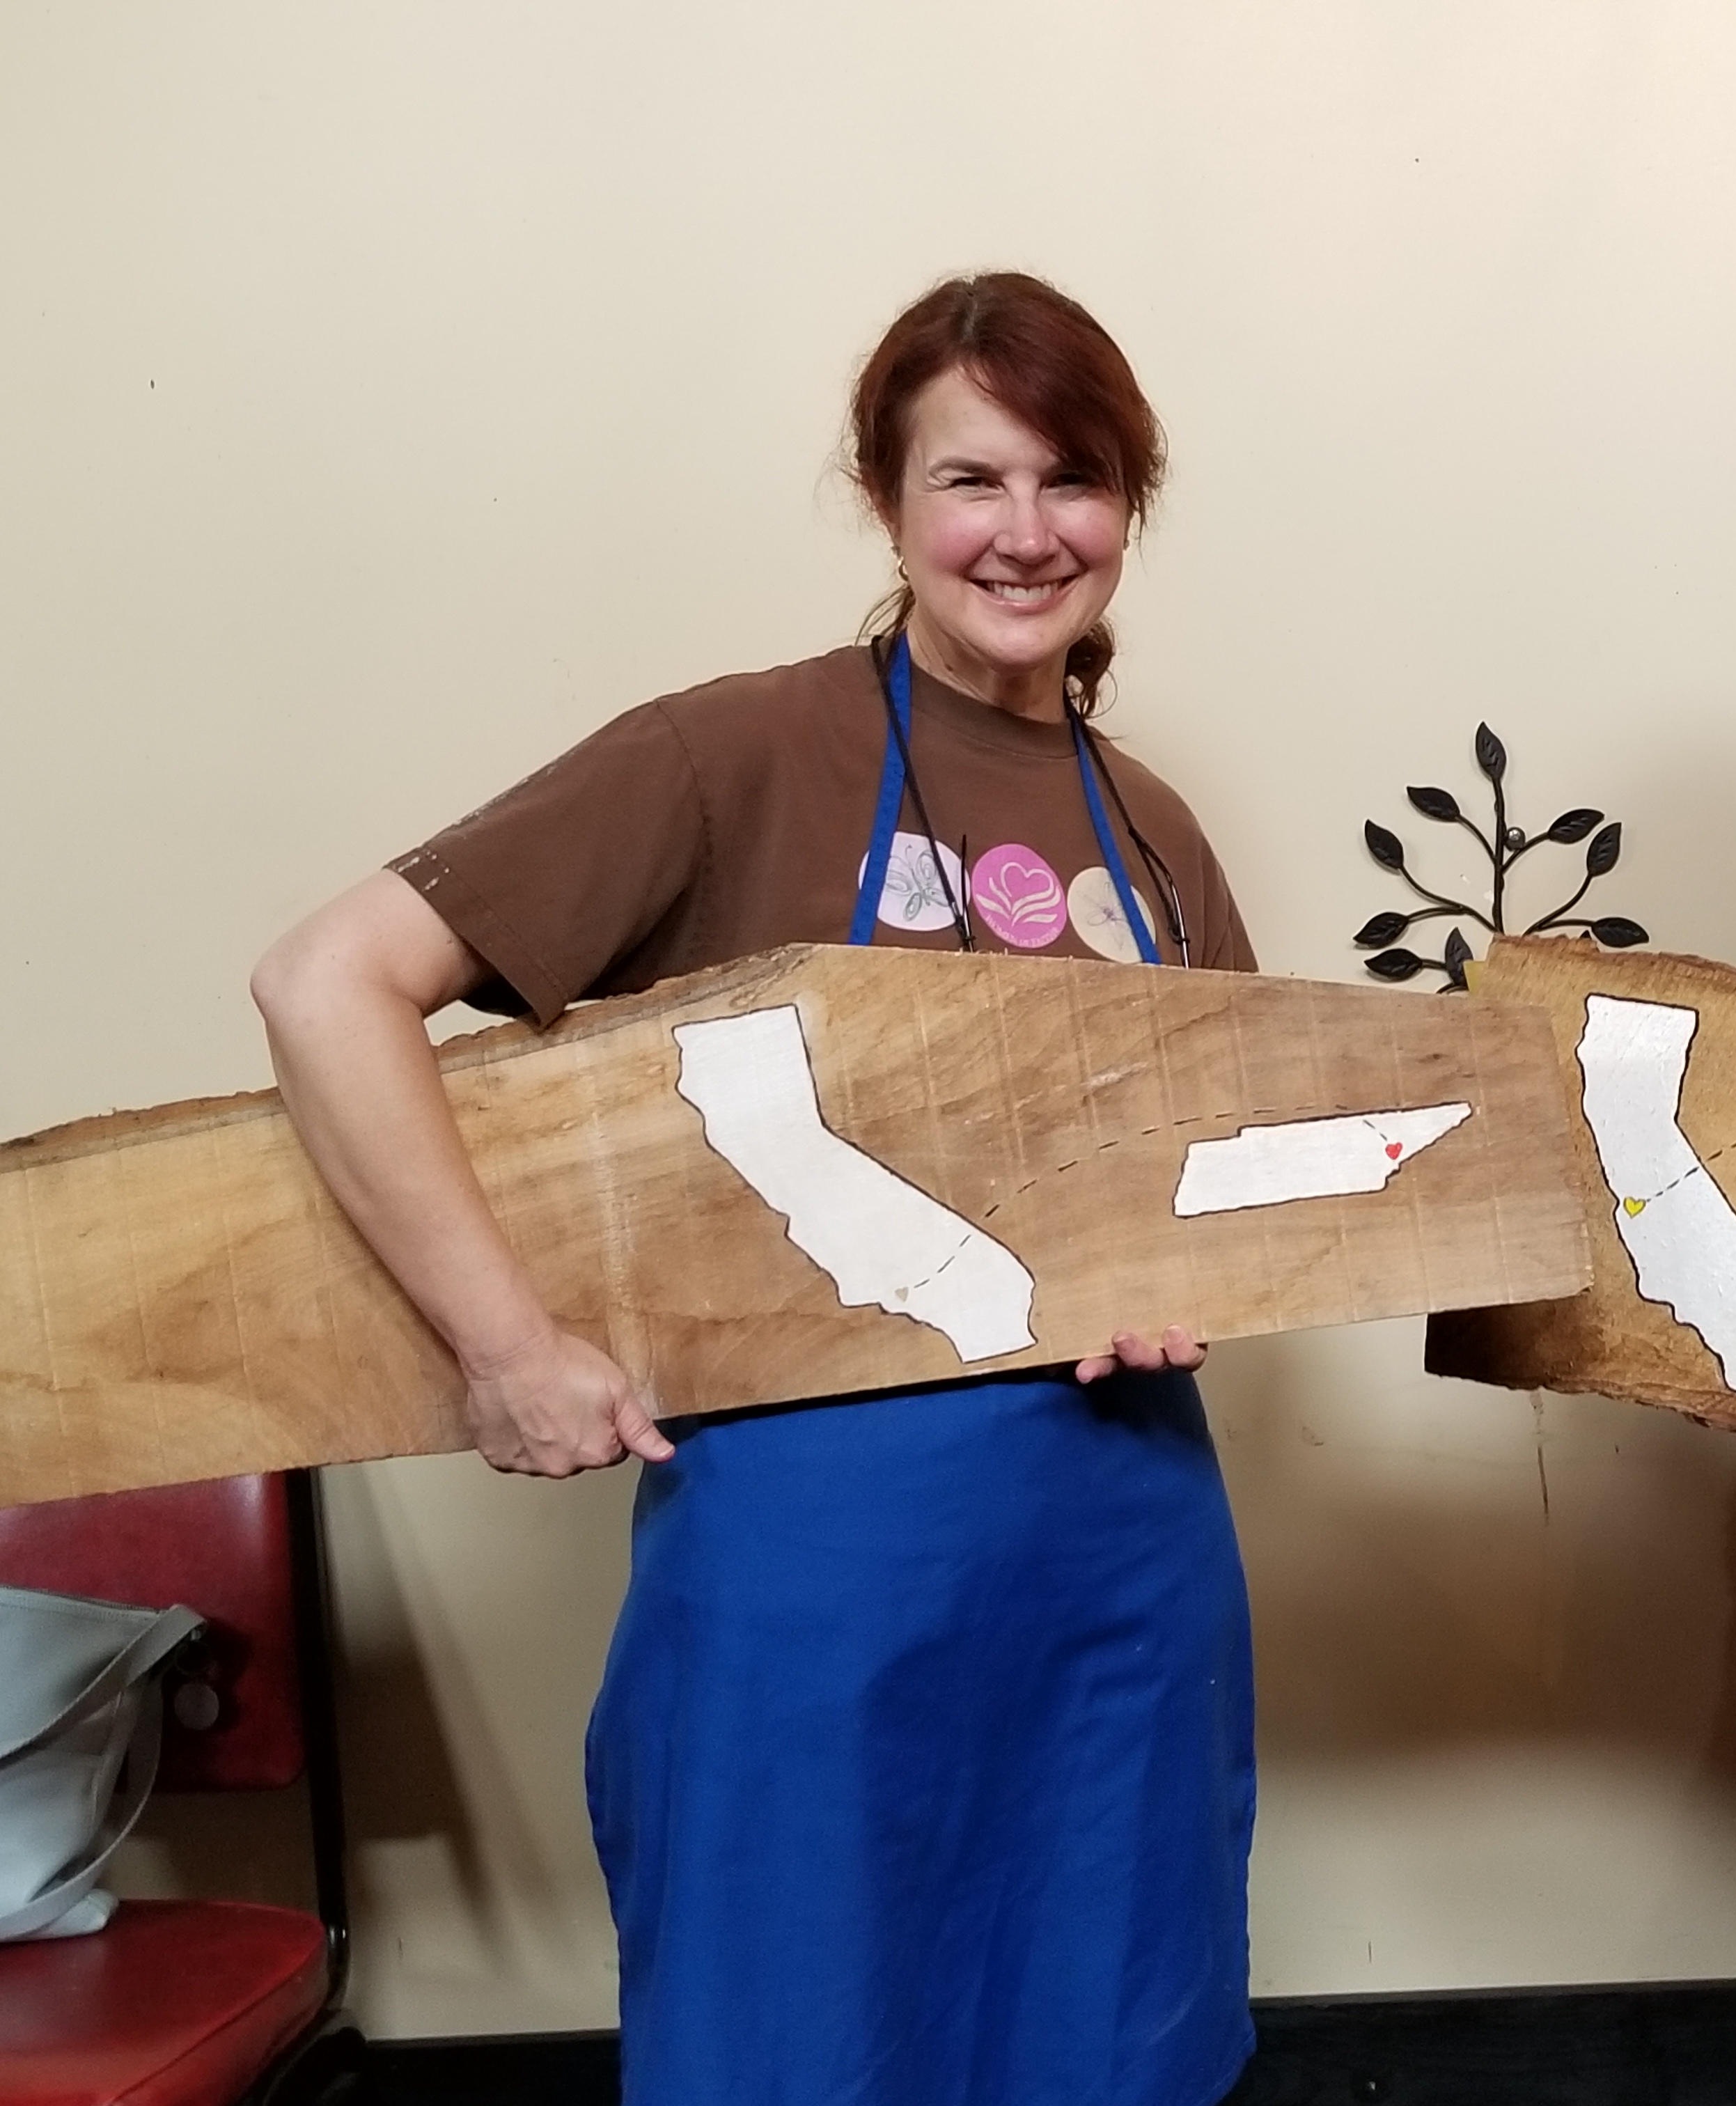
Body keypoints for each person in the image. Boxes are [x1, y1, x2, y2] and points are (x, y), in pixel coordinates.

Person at [251, 272, 1260, 2106]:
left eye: (1074, 480)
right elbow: (329, 984)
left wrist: (1187, 1290)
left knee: (1106, 2042)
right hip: (815, 1570)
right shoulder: (732, 758)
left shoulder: (1158, 835)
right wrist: (503, 1347)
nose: (1026, 532)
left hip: (1122, 1560)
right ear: (884, 499)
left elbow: (1218, 1187)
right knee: (796, 2044)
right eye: (972, 480)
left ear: (1131, 505)